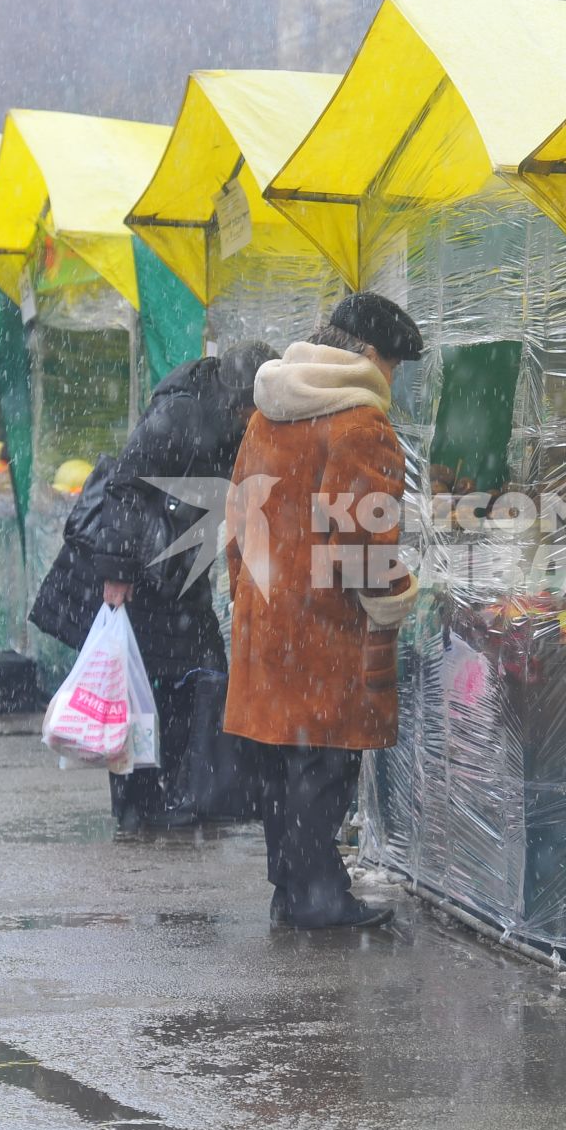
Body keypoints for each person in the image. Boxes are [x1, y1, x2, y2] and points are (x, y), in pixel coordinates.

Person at [224, 293, 424, 930]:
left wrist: (250, 598)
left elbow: (237, 521)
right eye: (393, 363)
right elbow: (360, 544)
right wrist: (397, 599)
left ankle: (292, 884)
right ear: (368, 357)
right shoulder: (360, 425)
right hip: (327, 632)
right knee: (327, 763)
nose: (393, 379)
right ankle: (318, 896)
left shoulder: (267, 414)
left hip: (268, 620)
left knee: (284, 764)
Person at [30, 341, 277, 832]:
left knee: (192, 678)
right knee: (147, 688)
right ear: (240, 400)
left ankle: (177, 794)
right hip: (145, 571)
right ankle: (141, 805)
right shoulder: (182, 412)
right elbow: (125, 484)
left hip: (177, 569)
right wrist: (117, 572)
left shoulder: (225, 417)